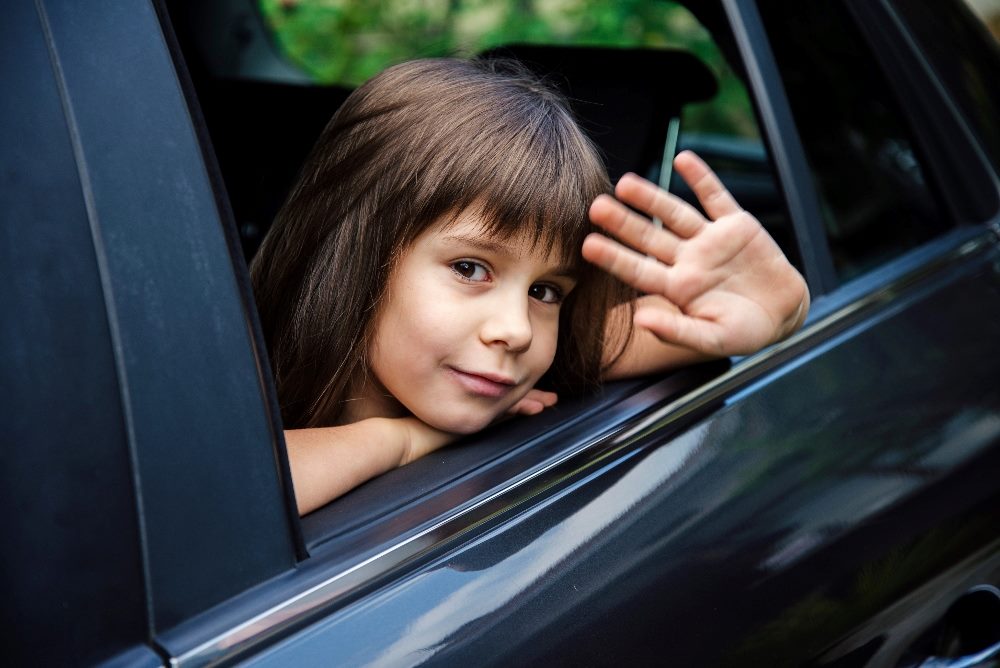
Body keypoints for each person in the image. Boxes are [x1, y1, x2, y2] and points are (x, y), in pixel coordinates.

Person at [250, 57, 809, 515]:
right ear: (354, 250)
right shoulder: (231, 375)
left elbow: (667, 328)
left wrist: (780, 311)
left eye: (546, 292)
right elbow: (216, 500)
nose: (516, 331)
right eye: (470, 269)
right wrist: (398, 440)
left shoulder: (507, 362)